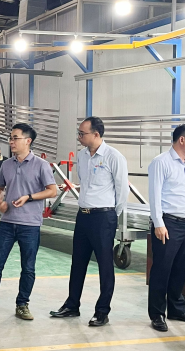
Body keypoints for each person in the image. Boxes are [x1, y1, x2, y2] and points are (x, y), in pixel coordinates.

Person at [0, 124, 57, 321]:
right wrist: (0, 201)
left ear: (28, 141)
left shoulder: (41, 165)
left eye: (15, 138)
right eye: (10, 138)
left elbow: (52, 191)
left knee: (28, 267)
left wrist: (29, 197)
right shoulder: (7, 165)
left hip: (30, 224)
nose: (11, 142)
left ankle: (22, 304)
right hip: (8, 223)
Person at [50, 116, 128, 327]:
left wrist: (111, 214)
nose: (79, 137)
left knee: (105, 265)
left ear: (96, 134)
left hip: (103, 217)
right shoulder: (82, 156)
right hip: (83, 216)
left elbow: (122, 191)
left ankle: (102, 311)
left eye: (82, 133)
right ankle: (72, 305)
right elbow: (84, 184)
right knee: (78, 262)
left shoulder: (114, 157)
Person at [147, 123, 185, 333]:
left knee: (181, 270)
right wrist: (158, 223)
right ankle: (157, 314)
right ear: (182, 139)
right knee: (162, 270)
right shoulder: (161, 162)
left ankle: (176, 310)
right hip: (168, 224)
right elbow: (154, 194)